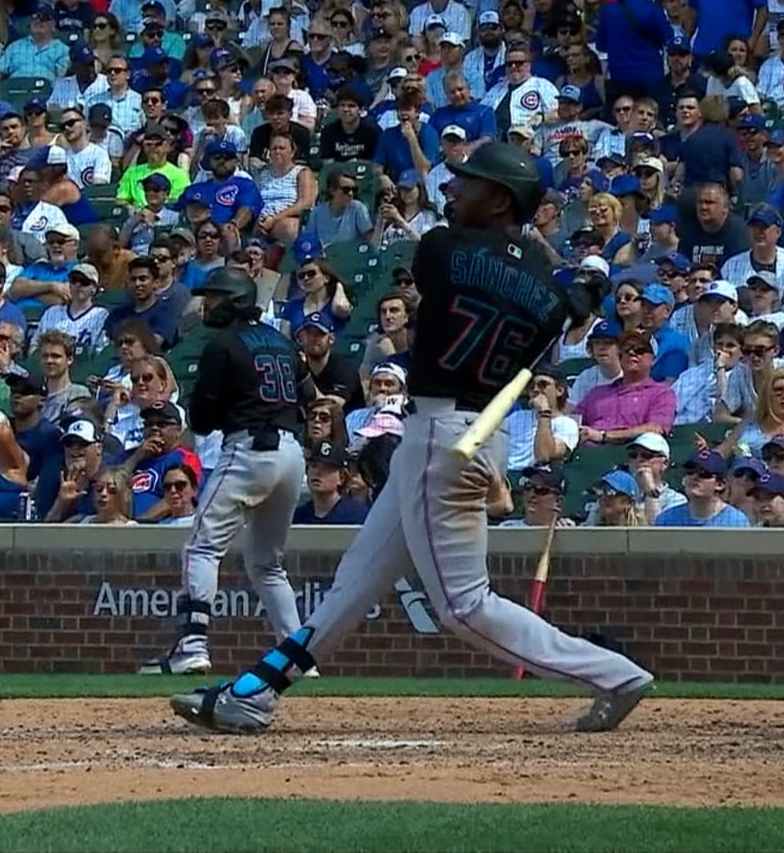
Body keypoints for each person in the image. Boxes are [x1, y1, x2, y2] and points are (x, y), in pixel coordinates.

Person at [172, 142, 653, 735]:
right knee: (355, 582)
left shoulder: (441, 247)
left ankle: (614, 673)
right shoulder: (541, 280)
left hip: (443, 435)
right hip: (473, 431)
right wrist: (582, 289)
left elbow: (483, 277)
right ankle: (255, 692)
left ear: (500, 199)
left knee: (464, 605)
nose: (456, 191)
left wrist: (575, 289)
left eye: (471, 183)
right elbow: (549, 301)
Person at [138, 268, 309, 677]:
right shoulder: (283, 343)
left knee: (201, 548)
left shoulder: (224, 343)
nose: (207, 303)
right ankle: (299, 656)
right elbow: (307, 397)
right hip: (290, 454)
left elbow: (200, 419)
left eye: (215, 297)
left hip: (249, 449)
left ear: (234, 300)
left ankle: (192, 646)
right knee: (267, 563)